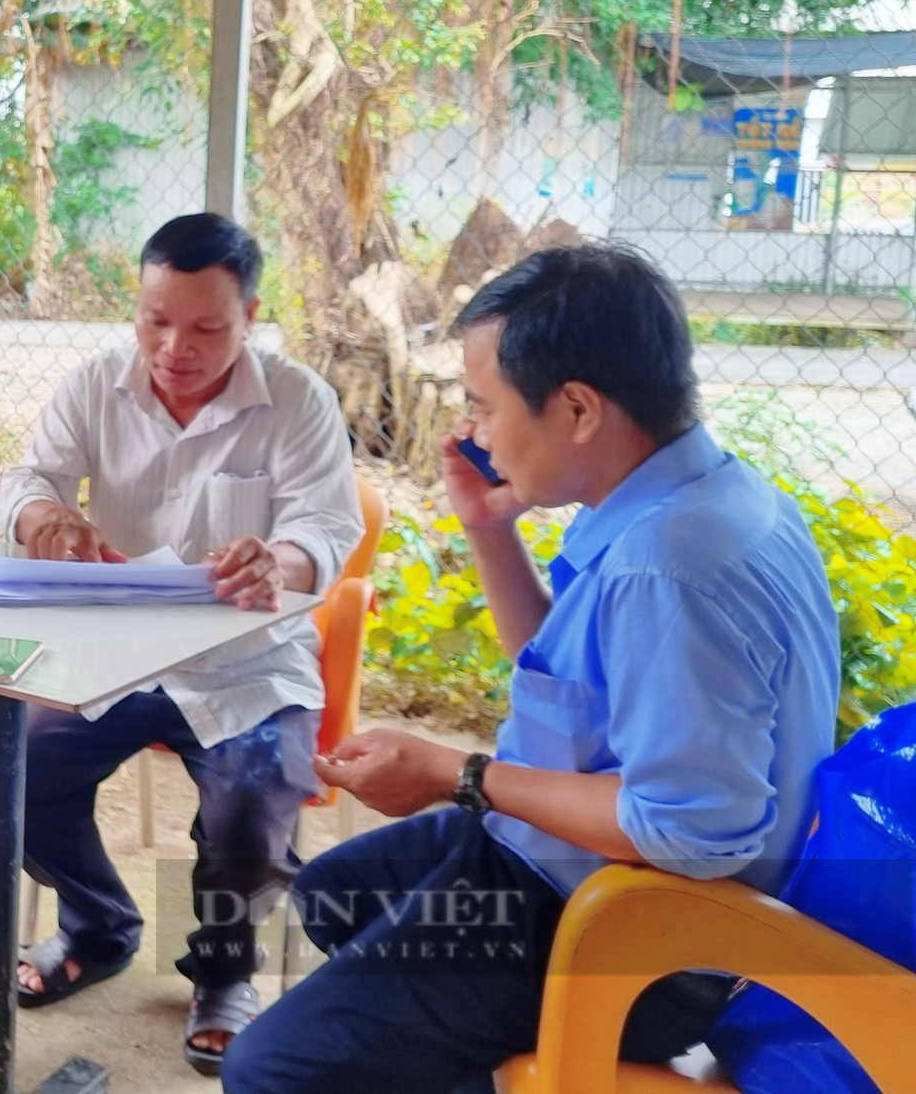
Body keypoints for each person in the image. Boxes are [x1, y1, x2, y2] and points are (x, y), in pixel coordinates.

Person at [222, 244, 840, 1094]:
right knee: (332, 894)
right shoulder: (706, 501)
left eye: (484, 405)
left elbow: (689, 835)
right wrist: (487, 526)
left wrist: (458, 774)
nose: (474, 431)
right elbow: (562, 674)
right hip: (574, 861)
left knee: (273, 1069)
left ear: (578, 408)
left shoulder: (667, 567)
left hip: (641, 936)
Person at [0, 212, 365, 1075]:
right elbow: (28, 479)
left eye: (206, 328)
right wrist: (40, 513)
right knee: (14, 775)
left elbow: (327, 526)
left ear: (251, 316)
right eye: (156, 321)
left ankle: (222, 973)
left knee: (250, 806)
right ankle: (101, 925)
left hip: (250, 665)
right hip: (118, 652)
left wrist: (279, 558)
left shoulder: (298, 399)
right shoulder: (95, 385)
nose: (175, 348)